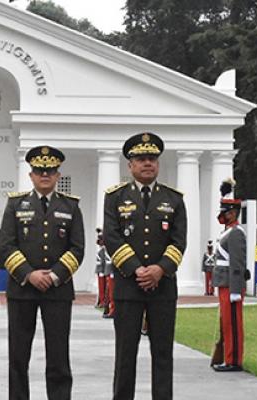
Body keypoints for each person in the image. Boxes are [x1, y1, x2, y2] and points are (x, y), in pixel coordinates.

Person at [103, 132, 187, 400]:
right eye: (141, 159)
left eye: (152, 158)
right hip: (129, 286)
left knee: (163, 354)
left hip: (163, 287)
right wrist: (137, 269)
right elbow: (112, 237)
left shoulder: (174, 199)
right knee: (125, 354)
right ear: (130, 165)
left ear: (158, 163)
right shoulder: (115, 197)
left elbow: (178, 241)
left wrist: (160, 269)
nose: (147, 163)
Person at [1, 146, 84, 400]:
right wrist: (30, 274)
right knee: (18, 355)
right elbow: (6, 245)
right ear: (31, 175)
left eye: (49, 171)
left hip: (58, 290)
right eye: (39, 171)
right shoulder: (16, 204)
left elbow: (77, 248)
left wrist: (54, 275)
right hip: (22, 289)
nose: (44, 175)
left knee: (58, 355)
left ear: (58, 175)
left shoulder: (70, 207)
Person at [211, 178, 247, 372]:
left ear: (233, 213)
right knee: (226, 322)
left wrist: (235, 290)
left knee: (232, 323)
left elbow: (237, 263)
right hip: (223, 282)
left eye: (226, 213)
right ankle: (228, 356)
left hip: (230, 284)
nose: (223, 216)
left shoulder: (236, 233)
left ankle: (234, 360)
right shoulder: (228, 232)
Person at [95, 228, 108, 309]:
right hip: (101, 271)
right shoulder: (101, 250)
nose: (99, 241)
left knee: (105, 288)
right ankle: (101, 301)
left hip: (104, 270)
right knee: (101, 288)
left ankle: (104, 302)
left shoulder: (104, 250)